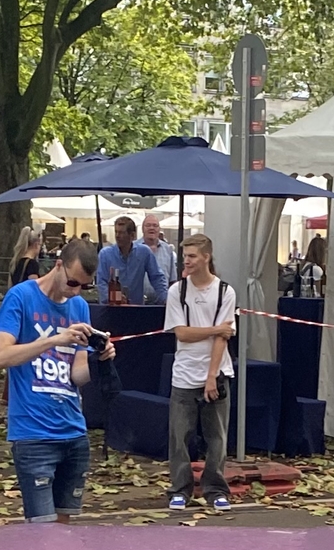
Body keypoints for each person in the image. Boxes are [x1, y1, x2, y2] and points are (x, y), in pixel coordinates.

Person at [0, 236, 111, 523]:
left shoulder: (79, 306)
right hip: (33, 432)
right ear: (58, 266)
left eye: (85, 286)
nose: (76, 291)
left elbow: (76, 375)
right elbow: (1, 357)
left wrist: (100, 359)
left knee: (64, 526)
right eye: (72, 282)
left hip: (72, 430)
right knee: (41, 529)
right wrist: (55, 339)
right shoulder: (21, 297)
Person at [162, 232, 236, 512]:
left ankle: (216, 489)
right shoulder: (177, 291)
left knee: (217, 436)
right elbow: (182, 333)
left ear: (206, 257)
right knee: (179, 435)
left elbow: (223, 339)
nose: (187, 261)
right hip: (183, 373)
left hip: (215, 372)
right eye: (186, 256)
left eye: (192, 256)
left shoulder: (225, 292)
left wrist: (211, 376)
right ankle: (180, 489)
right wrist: (216, 328)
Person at [94, 215, 161, 306]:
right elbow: (101, 282)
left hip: (136, 311)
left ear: (132, 235)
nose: (117, 236)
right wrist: (110, 298)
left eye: (122, 233)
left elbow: (157, 278)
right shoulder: (105, 254)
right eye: (116, 232)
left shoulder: (144, 252)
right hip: (111, 310)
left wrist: (166, 299)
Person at [140, 213, 178, 289]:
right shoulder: (133, 248)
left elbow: (172, 280)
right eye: (148, 225)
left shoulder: (168, 249)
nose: (152, 228)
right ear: (142, 229)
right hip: (136, 300)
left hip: (162, 300)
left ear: (159, 229)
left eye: (155, 225)